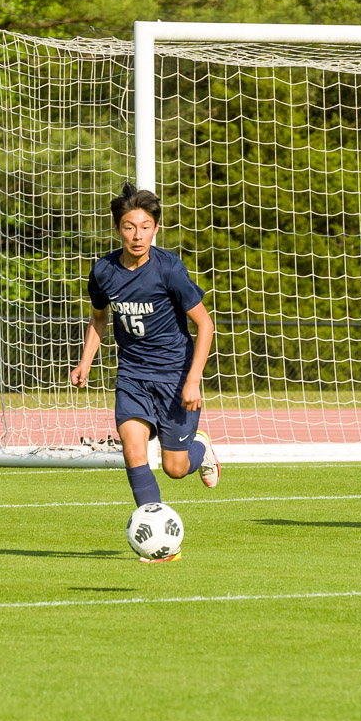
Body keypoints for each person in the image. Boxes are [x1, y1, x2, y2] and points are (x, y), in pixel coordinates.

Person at [71, 184, 220, 561]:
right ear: (118, 228)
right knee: (133, 451)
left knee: (174, 467)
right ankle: (159, 546)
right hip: (133, 377)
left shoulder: (168, 268)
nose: (137, 235)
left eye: (145, 226)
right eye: (128, 226)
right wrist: (86, 360)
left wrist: (192, 380)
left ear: (156, 229)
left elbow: (205, 325)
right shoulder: (103, 271)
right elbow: (99, 318)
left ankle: (201, 450)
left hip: (175, 378)